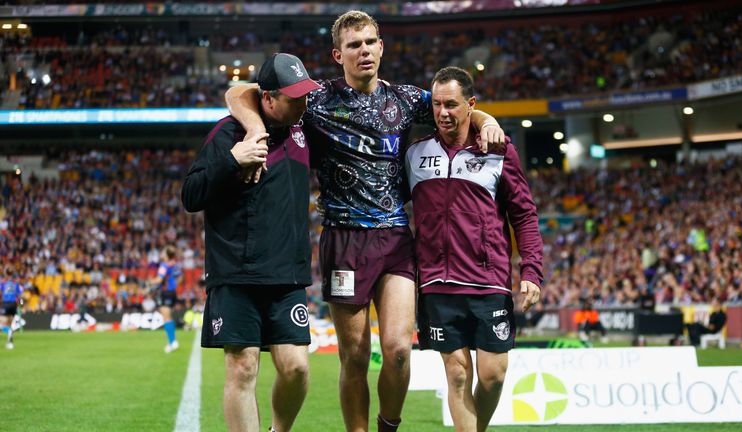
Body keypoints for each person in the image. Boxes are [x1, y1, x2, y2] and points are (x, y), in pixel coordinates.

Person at [225, 11, 506, 432]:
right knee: (354, 356)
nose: (364, 51)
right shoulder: (316, 99)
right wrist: (251, 130)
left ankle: (387, 425)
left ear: (381, 46)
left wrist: (488, 119)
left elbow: (461, 109)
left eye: (370, 42)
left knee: (396, 350)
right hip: (342, 239)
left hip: (394, 237)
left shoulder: (407, 100)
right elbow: (240, 92)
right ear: (338, 54)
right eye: (354, 45)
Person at [182, 52, 321, 432]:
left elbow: (239, 92)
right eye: (295, 98)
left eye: (305, 95)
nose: (304, 103)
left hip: (287, 275)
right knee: (242, 367)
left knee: (296, 368)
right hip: (236, 274)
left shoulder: (303, 128)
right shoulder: (226, 134)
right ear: (270, 98)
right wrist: (232, 159)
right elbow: (190, 196)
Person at [405, 66, 543, 432]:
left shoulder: (498, 151)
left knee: (493, 375)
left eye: (451, 104)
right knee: (457, 375)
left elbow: (525, 215)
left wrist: (531, 271)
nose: (443, 113)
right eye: (436, 105)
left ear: (471, 105)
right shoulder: (415, 154)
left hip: (488, 279)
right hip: (436, 282)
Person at [151, 245, 184, 353]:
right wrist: (174, 285)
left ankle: (172, 342)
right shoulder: (175, 265)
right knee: (168, 316)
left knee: (166, 317)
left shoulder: (164, 265)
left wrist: (149, 282)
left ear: (166, 255)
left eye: (163, 252)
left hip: (165, 293)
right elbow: (181, 278)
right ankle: (172, 341)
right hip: (172, 292)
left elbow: (159, 280)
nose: (161, 254)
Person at [1, 267, 24, 350]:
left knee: (2, 323)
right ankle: (10, 343)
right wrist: (21, 305)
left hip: (6, 303)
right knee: (10, 324)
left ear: (6, 274)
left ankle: (9, 334)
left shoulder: (3, 283)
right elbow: (20, 296)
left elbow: (0, 293)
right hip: (14, 305)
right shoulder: (16, 284)